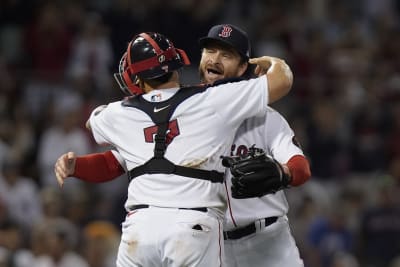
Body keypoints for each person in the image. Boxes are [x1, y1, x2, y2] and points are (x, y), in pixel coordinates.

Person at [54, 31, 293, 267]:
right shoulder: (213, 99)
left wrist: (76, 166)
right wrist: (274, 62)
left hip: (139, 231)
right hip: (193, 225)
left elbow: (99, 137)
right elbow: (282, 80)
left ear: (136, 78)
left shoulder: (117, 113)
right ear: (176, 67)